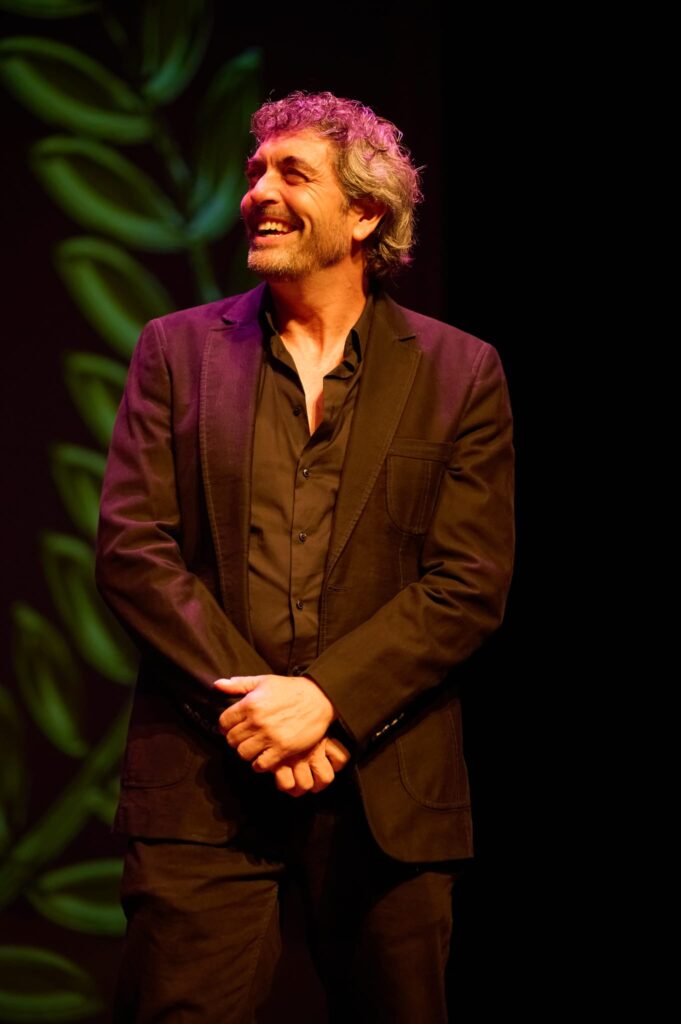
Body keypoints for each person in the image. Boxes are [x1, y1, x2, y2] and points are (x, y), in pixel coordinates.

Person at [95, 90, 515, 1023]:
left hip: (386, 787)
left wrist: (326, 700)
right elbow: (133, 549)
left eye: (292, 173)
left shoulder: (459, 371)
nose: (258, 193)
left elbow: (467, 582)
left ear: (364, 214)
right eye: (254, 172)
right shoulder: (175, 351)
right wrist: (261, 712)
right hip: (203, 785)